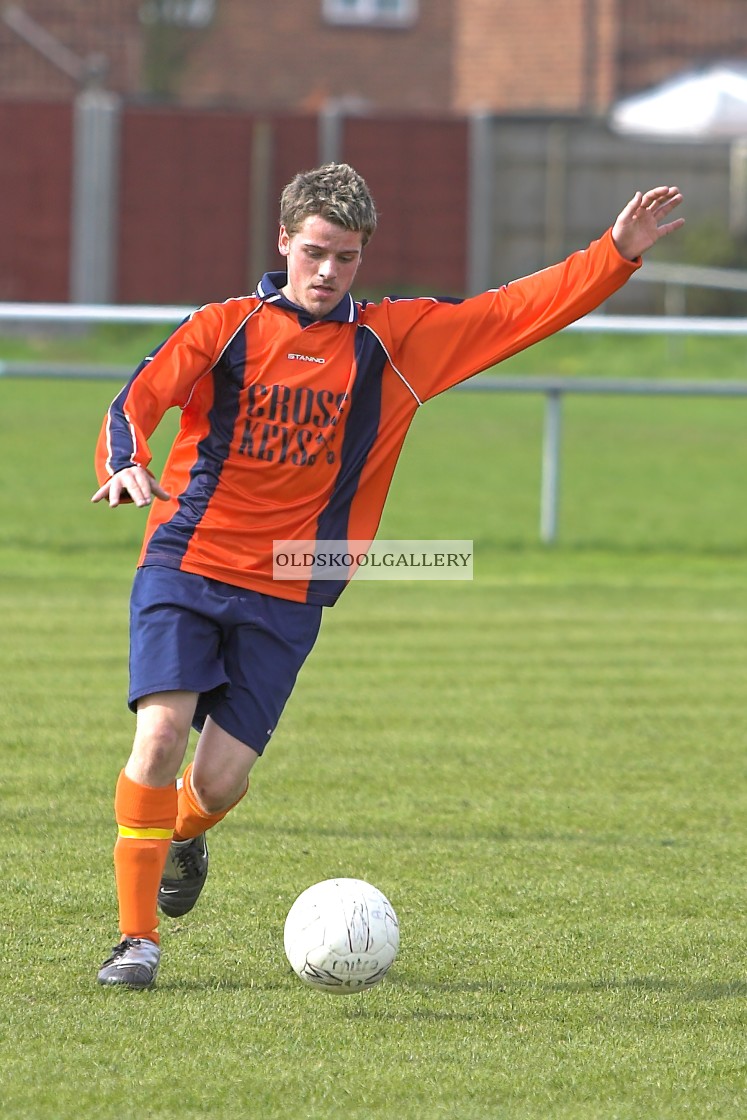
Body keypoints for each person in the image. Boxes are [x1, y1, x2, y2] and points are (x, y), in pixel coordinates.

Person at [92, 162, 684, 988]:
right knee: (158, 735)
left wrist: (612, 253)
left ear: (363, 258)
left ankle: (184, 833)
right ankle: (136, 941)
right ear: (284, 243)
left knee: (220, 780)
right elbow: (137, 398)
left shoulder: (393, 342)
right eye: (315, 252)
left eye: (347, 257)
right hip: (187, 559)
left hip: (297, 580)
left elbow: (511, 312)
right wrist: (125, 461)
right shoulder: (224, 327)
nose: (328, 272)